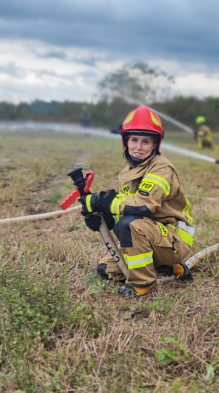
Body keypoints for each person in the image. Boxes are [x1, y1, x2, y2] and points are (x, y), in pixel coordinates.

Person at [79, 105, 195, 297]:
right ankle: (171, 268)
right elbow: (124, 211)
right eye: (134, 140)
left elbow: (142, 205)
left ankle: (143, 283)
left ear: (155, 145)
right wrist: (103, 219)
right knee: (105, 269)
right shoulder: (127, 172)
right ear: (125, 141)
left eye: (145, 142)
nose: (138, 147)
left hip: (173, 238)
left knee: (131, 224)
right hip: (151, 235)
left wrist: (103, 201)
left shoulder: (161, 168)